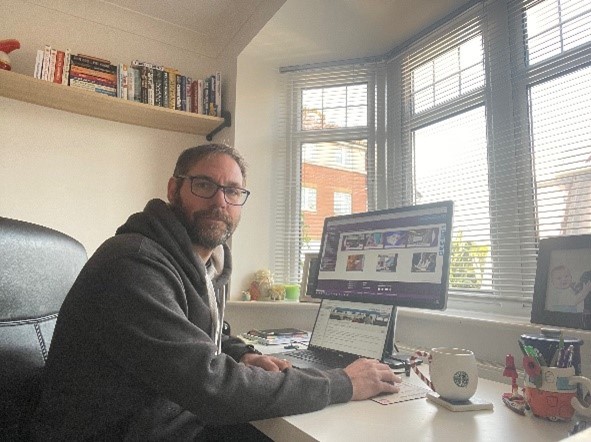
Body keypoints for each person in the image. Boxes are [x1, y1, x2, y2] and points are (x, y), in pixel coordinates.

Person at [29, 144, 401, 441]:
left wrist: (245, 354)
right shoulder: (134, 265)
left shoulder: (202, 264)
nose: (220, 201)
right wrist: (344, 383)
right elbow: (215, 388)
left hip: (170, 421)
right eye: (205, 185)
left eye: (233, 191)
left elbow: (204, 335)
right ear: (174, 189)